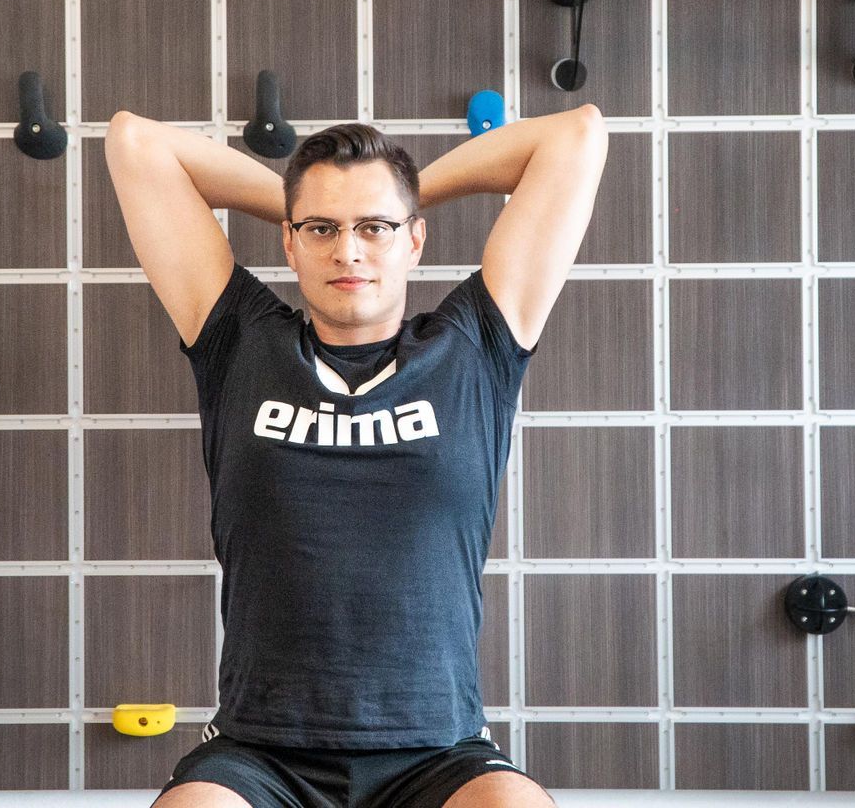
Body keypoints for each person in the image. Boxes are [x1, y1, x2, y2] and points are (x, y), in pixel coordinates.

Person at [105, 103, 608, 808]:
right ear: (289, 243)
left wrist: (398, 197)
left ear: (414, 240)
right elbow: (135, 142)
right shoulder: (239, 341)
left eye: (375, 229)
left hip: (438, 750)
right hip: (261, 752)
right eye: (322, 230)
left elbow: (576, 134)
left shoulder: (475, 347)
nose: (348, 251)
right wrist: (323, 203)